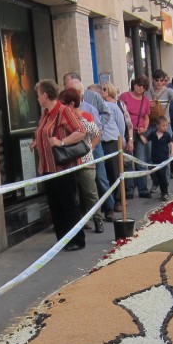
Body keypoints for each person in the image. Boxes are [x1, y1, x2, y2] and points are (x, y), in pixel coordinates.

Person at [31, 79, 88, 251]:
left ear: (45, 95)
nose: (37, 98)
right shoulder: (46, 114)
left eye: (38, 94)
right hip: (48, 167)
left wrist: (61, 142)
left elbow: (81, 131)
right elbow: (43, 134)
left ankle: (77, 239)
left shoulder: (64, 111)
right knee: (55, 204)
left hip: (63, 166)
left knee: (68, 203)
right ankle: (63, 239)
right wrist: (37, 143)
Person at [59, 87, 103, 234]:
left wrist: (91, 147)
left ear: (71, 104)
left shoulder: (86, 116)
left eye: (63, 104)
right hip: (69, 161)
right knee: (74, 194)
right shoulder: (62, 119)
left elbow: (96, 132)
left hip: (85, 160)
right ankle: (81, 221)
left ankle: (98, 219)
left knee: (90, 193)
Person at [119, 76, 151, 198]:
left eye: (143, 86)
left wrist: (145, 128)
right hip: (127, 132)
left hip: (139, 132)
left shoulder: (145, 100)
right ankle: (129, 189)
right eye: (138, 85)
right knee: (127, 162)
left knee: (141, 162)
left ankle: (143, 189)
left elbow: (146, 117)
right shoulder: (124, 97)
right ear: (134, 84)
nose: (140, 88)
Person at [100, 82, 127, 220]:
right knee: (104, 175)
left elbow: (121, 124)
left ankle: (118, 200)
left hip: (112, 142)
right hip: (101, 143)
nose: (102, 91)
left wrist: (120, 140)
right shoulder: (97, 108)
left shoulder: (114, 107)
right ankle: (108, 204)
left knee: (116, 172)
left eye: (104, 89)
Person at [145, 115, 173, 200]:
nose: (165, 127)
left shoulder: (167, 135)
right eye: (163, 125)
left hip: (164, 159)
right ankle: (160, 188)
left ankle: (164, 192)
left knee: (162, 175)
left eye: (166, 125)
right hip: (155, 159)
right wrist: (140, 135)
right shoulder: (153, 134)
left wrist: (171, 154)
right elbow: (146, 140)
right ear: (157, 125)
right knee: (157, 175)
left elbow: (172, 145)